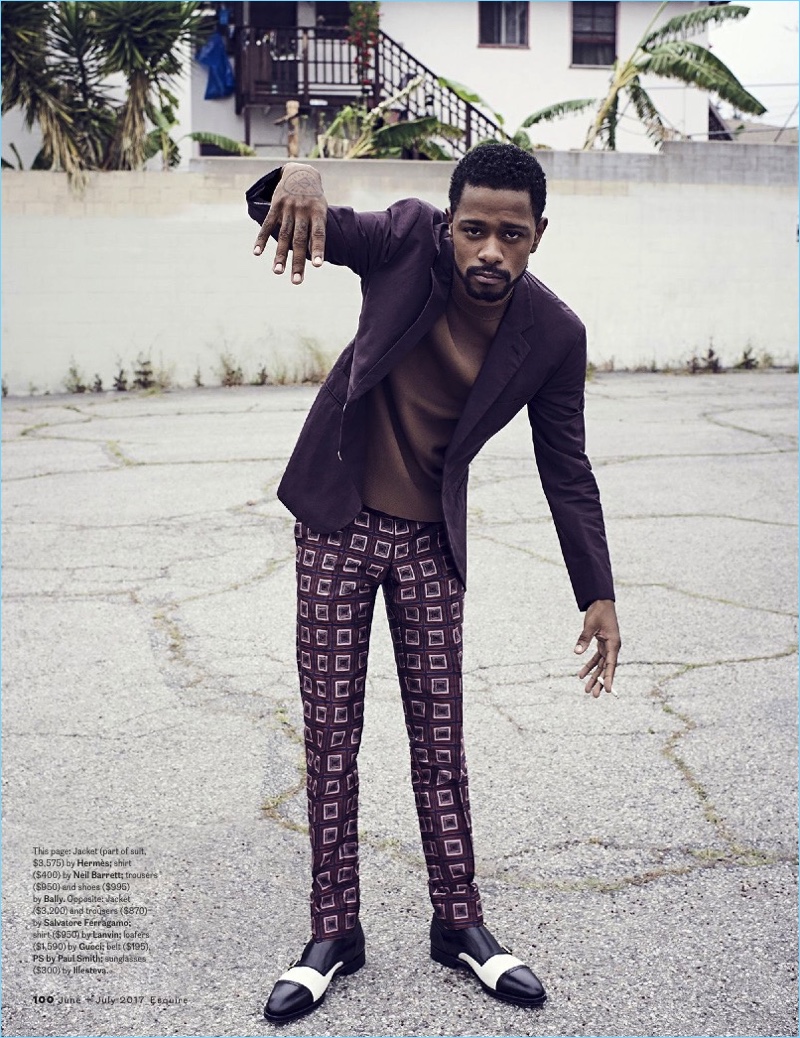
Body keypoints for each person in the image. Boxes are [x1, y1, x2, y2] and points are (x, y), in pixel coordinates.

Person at [246, 143, 621, 1024]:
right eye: (476, 230)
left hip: (428, 543)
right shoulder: (406, 239)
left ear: (537, 239)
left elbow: (566, 468)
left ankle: (460, 926)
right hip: (338, 520)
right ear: (450, 225)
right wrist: (294, 172)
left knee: (439, 744)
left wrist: (596, 590)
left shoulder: (554, 335)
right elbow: (294, 215)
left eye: (512, 235)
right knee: (332, 738)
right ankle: (334, 932)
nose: (491, 250)